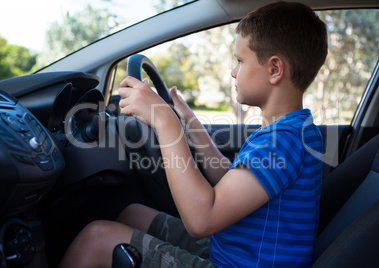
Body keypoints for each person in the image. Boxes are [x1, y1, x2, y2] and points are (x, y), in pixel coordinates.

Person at [59, 1, 327, 267]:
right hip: (236, 248)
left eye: (240, 61)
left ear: (274, 70)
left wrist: (167, 124)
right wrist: (191, 124)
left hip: (238, 262)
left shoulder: (281, 141)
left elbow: (202, 220)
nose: (234, 71)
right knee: (133, 213)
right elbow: (231, 182)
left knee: (96, 238)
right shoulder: (292, 131)